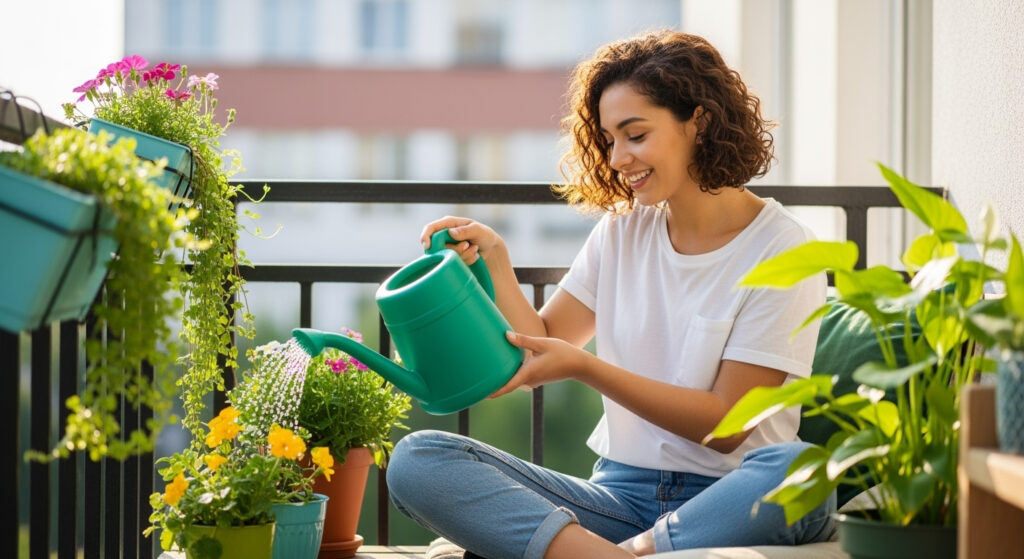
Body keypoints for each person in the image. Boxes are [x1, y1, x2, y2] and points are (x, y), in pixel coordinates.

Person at [385, 29, 835, 559]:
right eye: (609, 139)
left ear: (700, 121)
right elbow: (543, 341)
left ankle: (619, 554)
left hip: (731, 494)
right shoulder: (623, 230)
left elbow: (725, 426)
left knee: (798, 472)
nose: (618, 157)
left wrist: (585, 366)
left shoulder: (783, 249)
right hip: (620, 495)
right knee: (419, 460)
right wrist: (496, 260)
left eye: (636, 134)